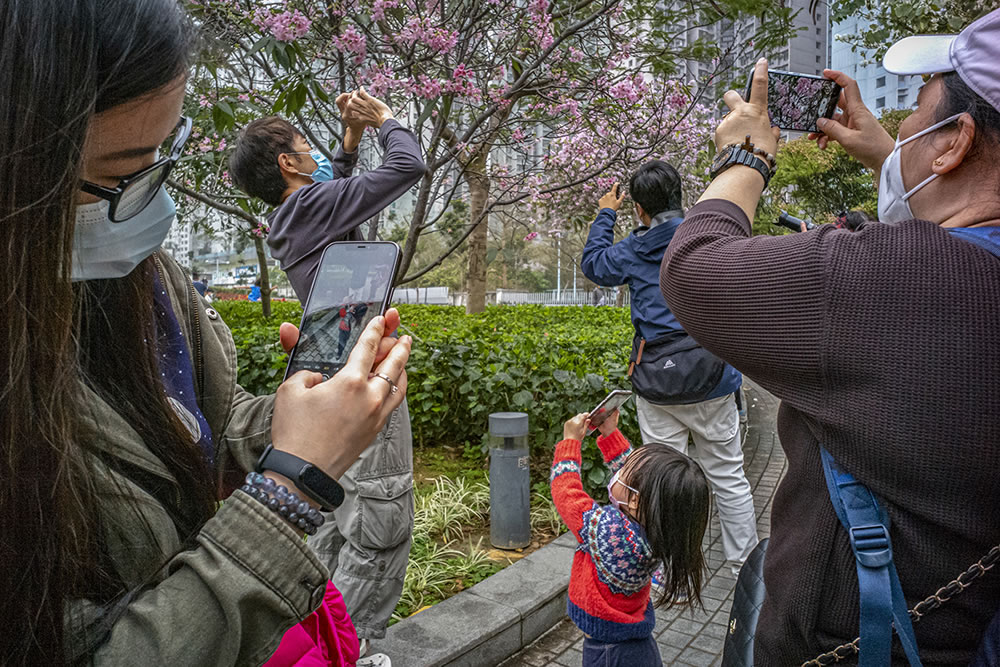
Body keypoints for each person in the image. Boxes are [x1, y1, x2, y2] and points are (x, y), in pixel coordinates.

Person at [0, 1, 410, 665]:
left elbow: (202, 426)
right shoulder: (308, 202)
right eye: (121, 174)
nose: (158, 198)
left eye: (166, 151)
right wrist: (289, 491)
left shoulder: (144, 277)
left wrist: (291, 418)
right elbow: (402, 172)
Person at [659, 8, 1000, 662]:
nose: (898, 129)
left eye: (915, 113)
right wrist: (893, 158)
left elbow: (693, 268)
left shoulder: (885, 280)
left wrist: (745, 158)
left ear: (954, 141)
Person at [229, 90, 424, 649]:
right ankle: (353, 646)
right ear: (288, 163)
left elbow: (332, 194)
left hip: (331, 372)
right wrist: (386, 119)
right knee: (379, 521)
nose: (308, 148)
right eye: (300, 143)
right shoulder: (310, 209)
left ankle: (318, 642)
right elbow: (408, 165)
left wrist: (348, 143)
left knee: (336, 521)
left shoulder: (292, 213)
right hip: (361, 376)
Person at [581, 165, 759, 575]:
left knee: (660, 481)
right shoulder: (706, 236)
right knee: (729, 477)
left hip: (657, 383)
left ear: (639, 210)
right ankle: (746, 570)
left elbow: (593, 264)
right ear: (681, 198)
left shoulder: (631, 250)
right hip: (711, 376)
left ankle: (663, 572)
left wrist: (606, 212)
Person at [551, 410, 710, 666]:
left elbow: (566, 494)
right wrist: (611, 434)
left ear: (635, 500)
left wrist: (570, 443)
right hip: (634, 642)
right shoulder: (657, 529)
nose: (619, 469)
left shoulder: (610, 532)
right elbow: (640, 481)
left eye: (622, 472)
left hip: (608, 652)